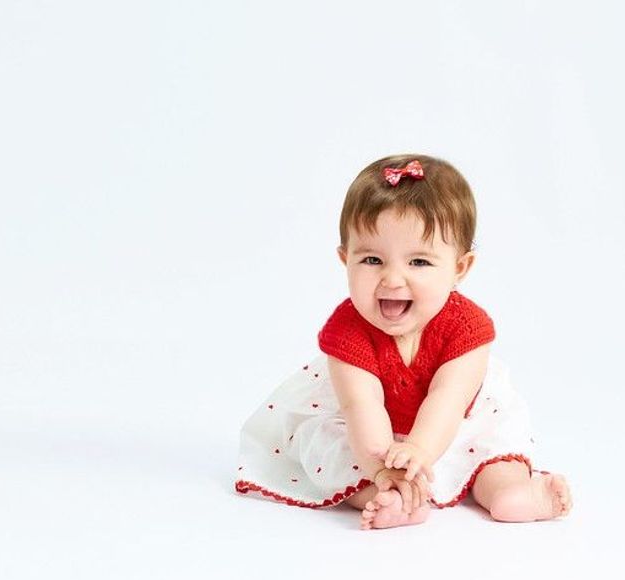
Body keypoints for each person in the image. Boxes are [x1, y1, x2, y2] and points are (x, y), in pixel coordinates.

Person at [235, 154, 572, 529]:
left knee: (490, 451)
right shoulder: (348, 331)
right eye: (372, 260)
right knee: (334, 451)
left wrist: (418, 450)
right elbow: (360, 404)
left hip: (455, 423)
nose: (393, 279)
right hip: (368, 433)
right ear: (345, 259)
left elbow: (448, 398)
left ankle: (511, 491)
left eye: (419, 263)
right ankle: (388, 498)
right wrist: (384, 470)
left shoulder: (467, 327)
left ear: (459, 268)